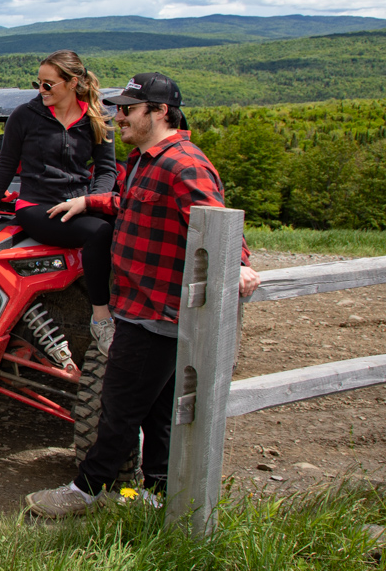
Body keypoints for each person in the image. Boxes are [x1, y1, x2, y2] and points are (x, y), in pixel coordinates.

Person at [24, 72, 261, 517]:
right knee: (157, 411)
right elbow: (130, 204)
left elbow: (215, 221)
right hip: (140, 304)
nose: (118, 118)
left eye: (129, 110)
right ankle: (158, 493)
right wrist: (89, 202)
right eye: (118, 109)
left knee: (118, 407)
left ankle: (85, 492)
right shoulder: (145, 161)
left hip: (157, 310)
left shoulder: (183, 165)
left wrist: (239, 263)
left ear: (160, 112)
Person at [0, 50, 118, 357]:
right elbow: (7, 164)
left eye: (48, 84)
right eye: (38, 83)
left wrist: (91, 201)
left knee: (125, 226)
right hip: (37, 207)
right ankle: (101, 318)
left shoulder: (97, 118)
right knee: (100, 232)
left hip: (79, 203)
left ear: (73, 83)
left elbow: (107, 170)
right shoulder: (25, 115)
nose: (41, 90)